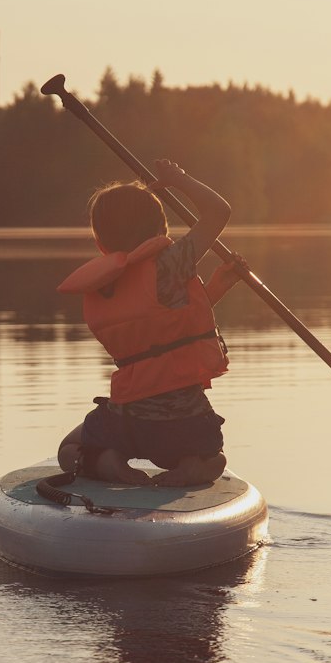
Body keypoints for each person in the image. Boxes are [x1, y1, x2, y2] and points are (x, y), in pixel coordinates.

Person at [56, 159, 243, 487]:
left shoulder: (104, 284)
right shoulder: (170, 264)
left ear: (101, 242)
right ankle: (191, 465)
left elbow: (157, 328)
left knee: (68, 449)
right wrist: (180, 179)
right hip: (186, 421)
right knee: (216, 459)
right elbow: (218, 212)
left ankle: (108, 463)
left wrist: (216, 287)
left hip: (127, 419)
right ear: (161, 228)